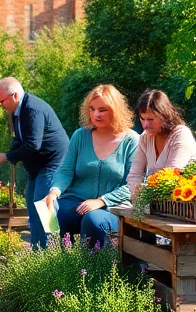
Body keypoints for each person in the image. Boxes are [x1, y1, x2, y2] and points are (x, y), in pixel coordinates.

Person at [43, 85, 139, 248]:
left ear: (116, 110)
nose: (96, 114)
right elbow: (65, 171)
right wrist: (54, 192)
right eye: (92, 109)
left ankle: (90, 269)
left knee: (93, 220)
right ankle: (56, 266)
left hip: (113, 206)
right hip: (75, 200)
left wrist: (102, 200)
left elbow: (133, 183)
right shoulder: (80, 136)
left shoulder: (131, 140)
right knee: (50, 213)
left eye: (102, 110)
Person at [0, 77, 70, 248]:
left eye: (2, 101)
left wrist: (8, 156)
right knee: (33, 211)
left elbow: (33, 144)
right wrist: (9, 154)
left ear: (15, 96)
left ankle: (50, 256)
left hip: (51, 162)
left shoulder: (32, 109)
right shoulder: (18, 111)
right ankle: (37, 253)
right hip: (38, 166)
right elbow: (19, 139)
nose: (0, 105)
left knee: (44, 209)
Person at [126, 90, 196, 203]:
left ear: (165, 116)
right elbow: (135, 175)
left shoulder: (180, 134)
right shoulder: (145, 138)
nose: (145, 124)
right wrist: (139, 201)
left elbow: (171, 176)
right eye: (142, 118)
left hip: (185, 204)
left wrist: (145, 195)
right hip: (156, 204)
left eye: (151, 119)